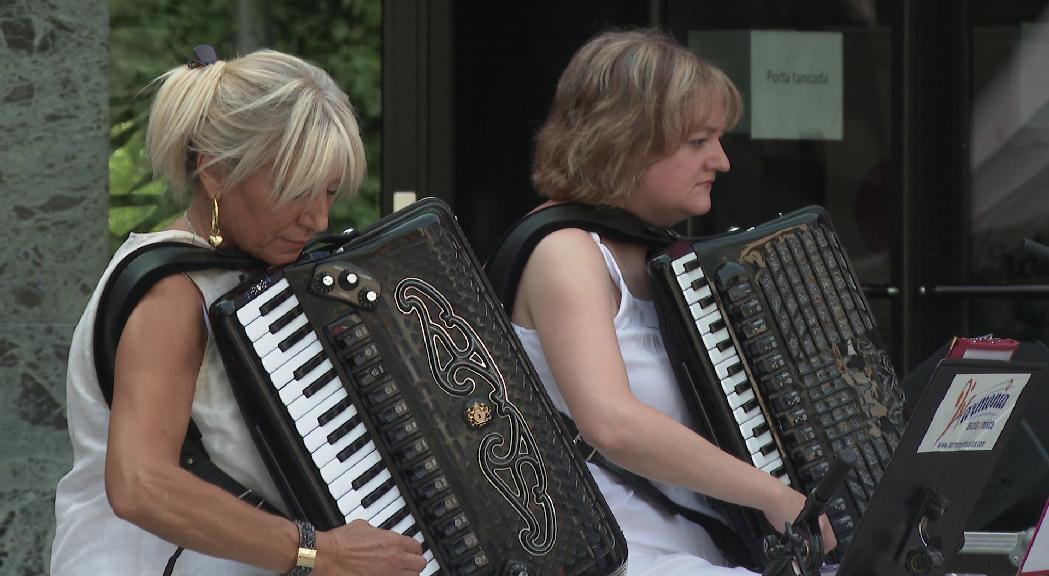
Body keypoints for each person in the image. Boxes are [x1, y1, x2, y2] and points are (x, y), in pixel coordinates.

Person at [50, 47, 427, 575]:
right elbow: (140, 485)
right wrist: (321, 552)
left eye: (329, 191)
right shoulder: (173, 290)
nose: (317, 217)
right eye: (296, 192)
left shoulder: (242, 274)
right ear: (216, 174)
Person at [505, 29, 838, 574]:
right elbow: (611, 423)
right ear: (626, 140)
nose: (722, 161)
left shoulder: (667, 259)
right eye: (699, 141)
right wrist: (775, 496)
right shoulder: (565, 251)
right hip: (617, 557)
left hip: (703, 552)